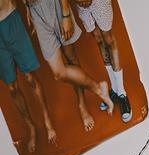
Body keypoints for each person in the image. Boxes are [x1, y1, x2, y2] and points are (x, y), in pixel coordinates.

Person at [23, 0, 112, 132]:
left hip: (54, 5)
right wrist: (27, 8)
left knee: (71, 59)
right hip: (35, 11)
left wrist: (65, 15)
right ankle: (98, 88)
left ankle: (82, 105)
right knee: (58, 73)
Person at [0, 0, 55, 153]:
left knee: (30, 77)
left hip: (10, 19)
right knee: (12, 88)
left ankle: (47, 121)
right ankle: (31, 126)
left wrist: (27, 9)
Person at [73, 0, 131, 121]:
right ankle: (114, 89)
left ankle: (122, 93)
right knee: (98, 39)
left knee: (108, 39)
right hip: (80, 5)